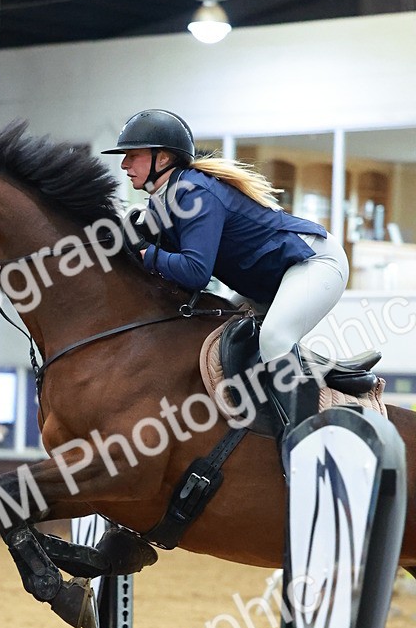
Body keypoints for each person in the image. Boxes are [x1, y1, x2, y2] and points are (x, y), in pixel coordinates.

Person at [103, 109, 349, 423]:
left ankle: (304, 436)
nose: (124, 164)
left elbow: (195, 271)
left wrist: (143, 252)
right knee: (217, 337)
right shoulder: (163, 200)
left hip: (314, 261)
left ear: (161, 159)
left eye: (132, 156)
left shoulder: (194, 192)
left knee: (274, 338)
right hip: (272, 281)